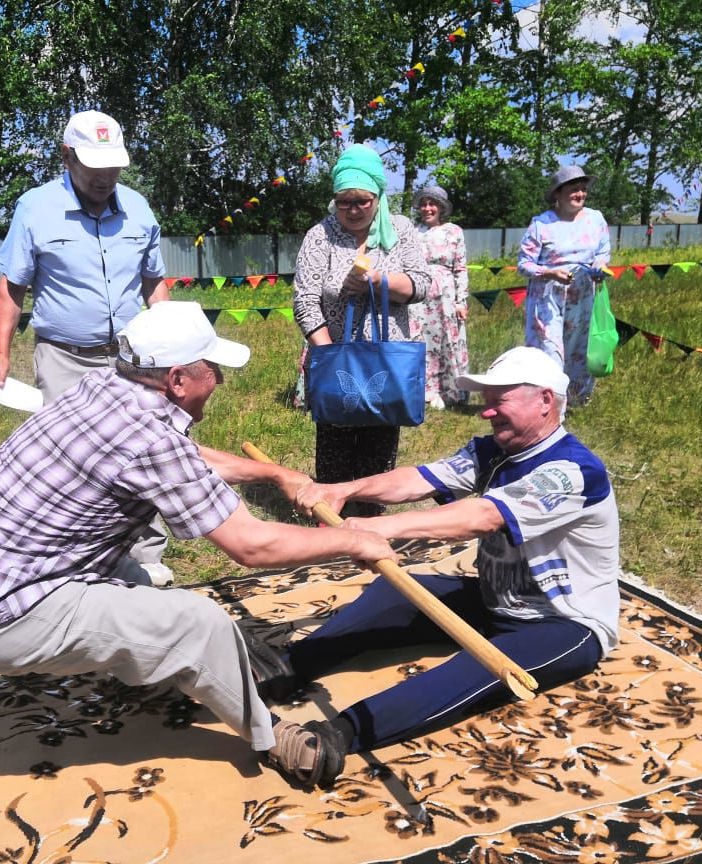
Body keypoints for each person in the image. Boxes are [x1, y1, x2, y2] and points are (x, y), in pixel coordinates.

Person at [0, 301, 398, 789]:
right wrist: (352, 541)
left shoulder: (102, 387)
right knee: (196, 621)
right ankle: (273, 737)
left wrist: (273, 473)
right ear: (177, 380)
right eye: (212, 370)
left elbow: (181, 453)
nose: (222, 382)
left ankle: (172, 667)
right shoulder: (149, 440)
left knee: (140, 583)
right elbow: (252, 546)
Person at [246, 346, 620, 767]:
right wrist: (343, 490)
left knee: (474, 671)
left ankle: (335, 737)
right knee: (397, 592)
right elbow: (418, 479)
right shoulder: (493, 451)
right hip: (497, 600)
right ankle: (285, 668)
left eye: (500, 400)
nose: (487, 411)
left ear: (545, 401)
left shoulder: (572, 471)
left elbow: (480, 517)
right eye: (487, 400)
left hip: (565, 622)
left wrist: (372, 529)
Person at [0, 109, 173, 584]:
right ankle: (77, 558)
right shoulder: (34, 208)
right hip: (64, 356)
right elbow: (12, 287)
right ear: (66, 156)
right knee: (72, 460)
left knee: (147, 449)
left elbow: (155, 282)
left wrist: (170, 343)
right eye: (94, 166)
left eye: (113, 166)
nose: (104, 177)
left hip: (134, 358)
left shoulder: (138, 208)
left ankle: (146, 557)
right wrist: (3, 352)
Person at [292, 145, 432, 517]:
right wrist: (326, 356)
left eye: (362, 201)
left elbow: (421, 284)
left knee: (378, 452)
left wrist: (379, 281)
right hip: (334, 359)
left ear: (378, 196)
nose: (353, 210)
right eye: (344, 202)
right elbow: (305, 302)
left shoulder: (400, 229)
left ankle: (370, 524)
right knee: (334, 451)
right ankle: (332, 526)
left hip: (386, 363)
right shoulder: (319, 236)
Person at [518, 165, 612, 406]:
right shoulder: (541, 224)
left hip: (583, 295)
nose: (580, 194)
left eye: (583, 189)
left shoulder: (596, 219)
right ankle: (548, 404)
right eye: (574, 189)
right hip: (549, 297)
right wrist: (549, 272)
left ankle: (578, 399)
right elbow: (524, 264)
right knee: (551, 350)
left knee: (579, 347)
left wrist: (600, 266)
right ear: (558, 194)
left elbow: (602, 252)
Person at [412, 185, 469, 410]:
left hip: (445, 294)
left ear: (441, 207)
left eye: (432, 204)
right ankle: (423, 389)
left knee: (448, 340)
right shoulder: (414, 231)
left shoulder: (454, 231)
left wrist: (461, 301)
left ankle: (452, 390)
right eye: (424, 204)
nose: (427, 208)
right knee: (421, 339)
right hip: (419, 293)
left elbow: (461, 268)